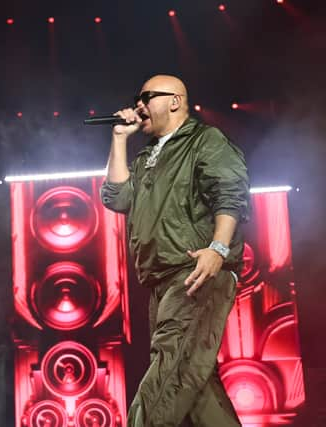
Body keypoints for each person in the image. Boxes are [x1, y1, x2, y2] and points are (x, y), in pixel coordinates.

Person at [100, 75, 249, 426]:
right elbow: (116, 197)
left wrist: (218, 248)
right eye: (137, 98)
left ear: (175, 101)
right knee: (195, 383)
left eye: (146, 97)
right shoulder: (148, 155)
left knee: (168, 371)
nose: (138, 105)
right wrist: (119, 139)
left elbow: (230, 194)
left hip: (195, 270)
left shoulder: (204, 140)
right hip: (160, 278)